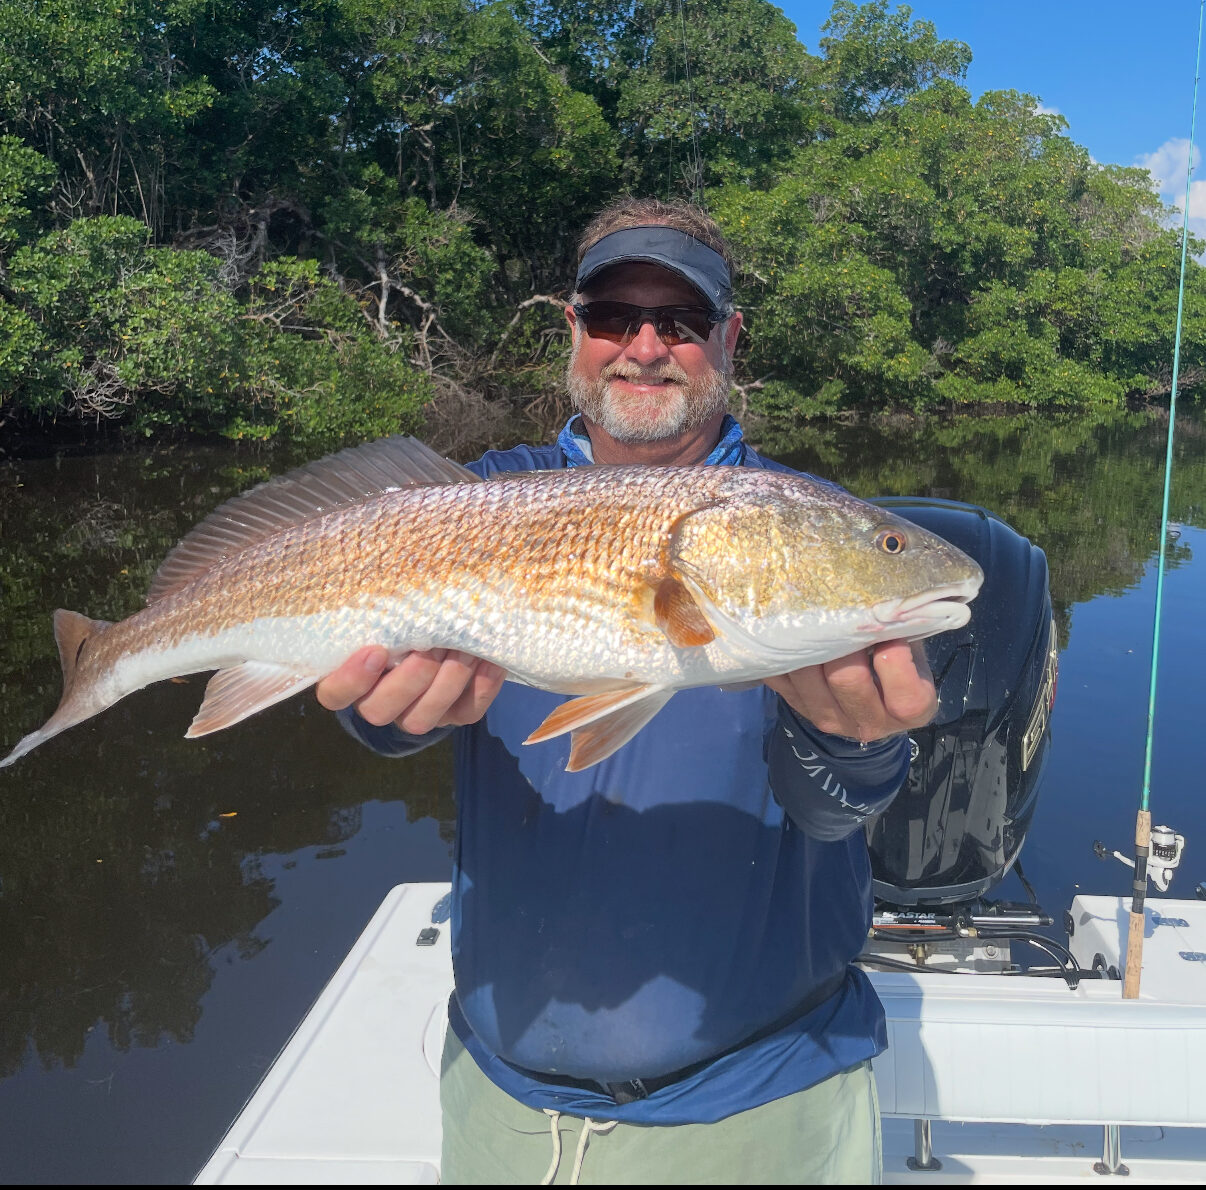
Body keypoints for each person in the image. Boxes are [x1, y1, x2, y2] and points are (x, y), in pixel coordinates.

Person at [316, 197, 937, 1185]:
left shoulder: (807, 530)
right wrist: (377, 712)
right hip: (503, 1107)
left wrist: (860, 748)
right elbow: (382, 708)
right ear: (574, 332)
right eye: (615, 317)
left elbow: (838, 809)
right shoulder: (469, 500)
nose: (645, 346)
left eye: (682, 323)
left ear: (729, 340)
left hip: (762, 1104)